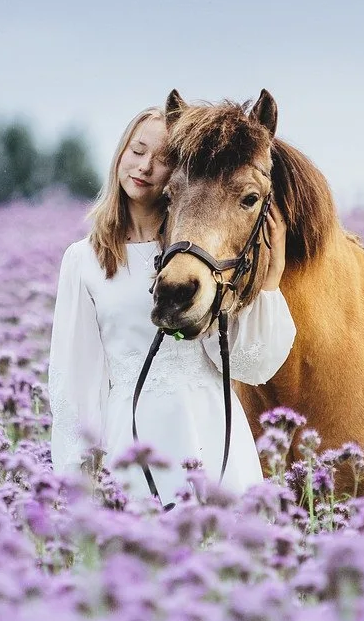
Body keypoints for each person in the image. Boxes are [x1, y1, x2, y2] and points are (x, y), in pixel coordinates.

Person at [47, 105, 294, 498]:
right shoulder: (84, 260)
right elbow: (75, 381)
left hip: (212, 429)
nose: (144, 167)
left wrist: (271, 279)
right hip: (133, 436)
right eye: (136, 150)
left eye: (162, 158)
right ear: (120, 154)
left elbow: (250, 364)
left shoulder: (199, 259)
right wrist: (79, 476)